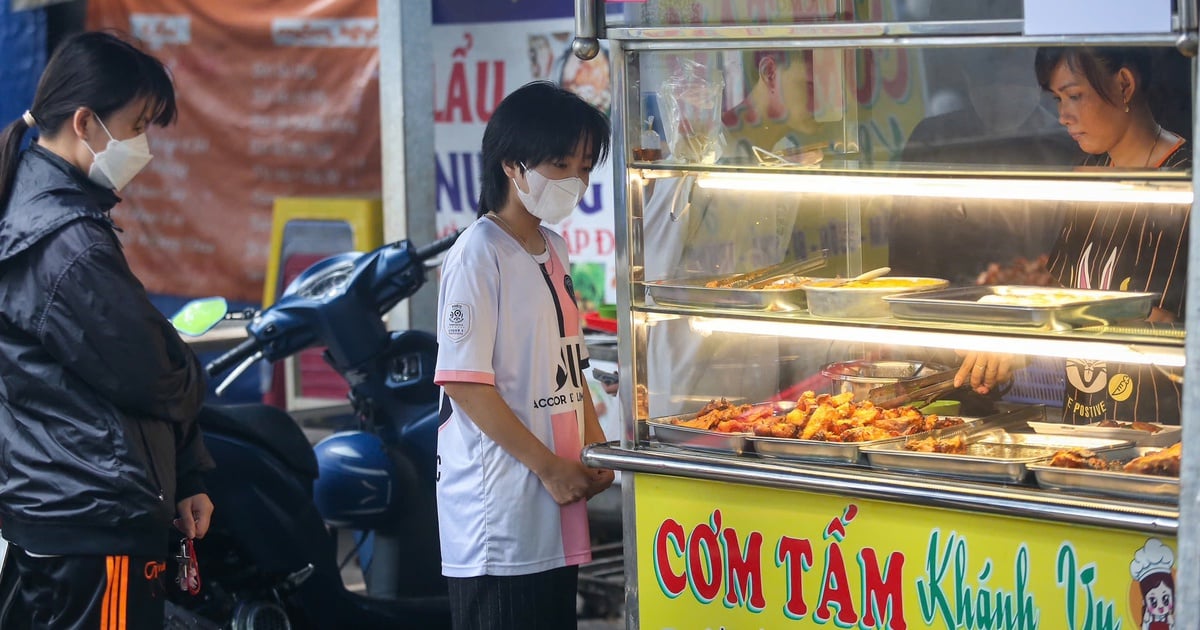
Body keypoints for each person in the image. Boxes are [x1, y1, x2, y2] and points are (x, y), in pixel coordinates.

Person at [0, 31, 213, 628]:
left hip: (60, 509)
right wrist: (191, 371)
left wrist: (188, 471)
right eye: (138, 124)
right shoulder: (66, 242)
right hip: (92, 520)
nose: (142, 144)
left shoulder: (37, 209)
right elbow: (151, 372)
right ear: (87, 123)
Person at [433, 81, 615, 629]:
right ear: (512, 165)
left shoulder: (553, 248)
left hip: (554, 498)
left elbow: (569, 364)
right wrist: (548, 469)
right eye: (561, 165)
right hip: (502, 511)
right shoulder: (478, 253)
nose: (575, 182)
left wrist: (593, 447)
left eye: (584, 168)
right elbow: (465, 383)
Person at [957, 46, 1190, 424]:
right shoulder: (1088, 175)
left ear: (1124, 84)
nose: (1063, 116)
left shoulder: (1186, 182)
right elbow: (1062, 293)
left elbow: (1170, 328)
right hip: (1084, 436)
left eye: (1075, 96)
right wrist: (1011, 336)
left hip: (1165, 437)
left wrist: (1042, 327)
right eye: (1057, 99)